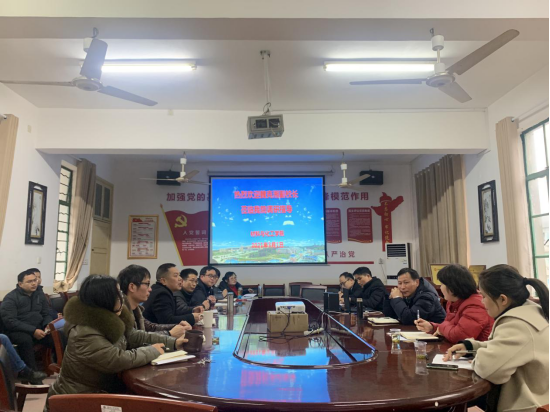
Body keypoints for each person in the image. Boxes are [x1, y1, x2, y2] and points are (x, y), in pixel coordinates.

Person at [45, 275, 187, 411]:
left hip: (102, 388)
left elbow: (133, 335)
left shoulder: (109, 317)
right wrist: (152, 351)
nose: (121, 297)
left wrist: (173, 342)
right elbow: (117, 360)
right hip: (78, 399)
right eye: (117, 293)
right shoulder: (84, 331)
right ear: (105, 299)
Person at [445, 265, 549, 412]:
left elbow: (489, 370)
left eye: (484, 296)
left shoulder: (518, 325)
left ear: (502, 299)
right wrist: (472, 347)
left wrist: (479, 358)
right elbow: (508, 349)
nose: (482, 302)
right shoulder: (531, 312)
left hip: (526, 406)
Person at [415, 265, 494, 344]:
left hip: (477, 350)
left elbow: (460, 336)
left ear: (452, 287)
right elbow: (450, 328)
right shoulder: (453, 302)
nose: (441, 288)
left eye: (442, 284)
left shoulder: (476, 305)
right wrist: (432, 327)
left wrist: (441, 327)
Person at [0, 270, 54, 370]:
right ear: (20, 284)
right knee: (25, 340)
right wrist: (33, 331)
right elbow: (10, 321)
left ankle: (60, 365)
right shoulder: (11, 298)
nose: (34, 283)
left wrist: (47, 324)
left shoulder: (39, 294)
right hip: (17, 330)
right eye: (29, 281)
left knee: (56, 335)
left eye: (35, 280)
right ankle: (31, 373)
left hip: (38, 328)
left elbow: (46, 313)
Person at [117, 265, 191, 337]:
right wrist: (169, 333)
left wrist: (176, 326)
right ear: (132, 287)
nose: (150, 289)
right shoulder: (120, 312)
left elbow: (151, 327)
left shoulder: (136, 309)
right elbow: (134, 338)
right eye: (147, 284)